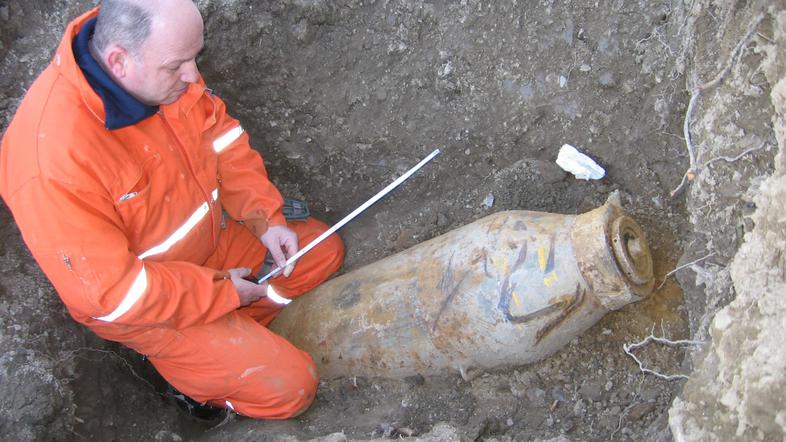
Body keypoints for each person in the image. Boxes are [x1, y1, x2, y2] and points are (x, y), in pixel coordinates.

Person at [0, 0, 344, 419]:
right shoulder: (52, 161)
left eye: (195, 58)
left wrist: (265, 217)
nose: (194, 76)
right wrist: (218, 293)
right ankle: (191, 382)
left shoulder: (160, 70)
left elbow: (223, 141)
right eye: (178, 65)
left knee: (321, 253)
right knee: (290, 388)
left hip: (212, 245)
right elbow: (112, 295)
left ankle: (238, 334)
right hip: (152, 303)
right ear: (118, 62)